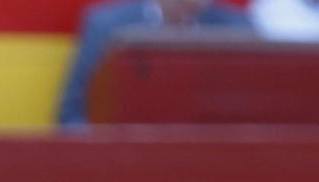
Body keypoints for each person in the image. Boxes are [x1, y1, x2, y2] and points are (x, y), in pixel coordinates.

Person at [56, 0, 252, 128]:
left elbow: (252, 118)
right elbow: (72, 116)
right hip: (124, 161)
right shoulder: (107, 25)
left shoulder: (238, 29)